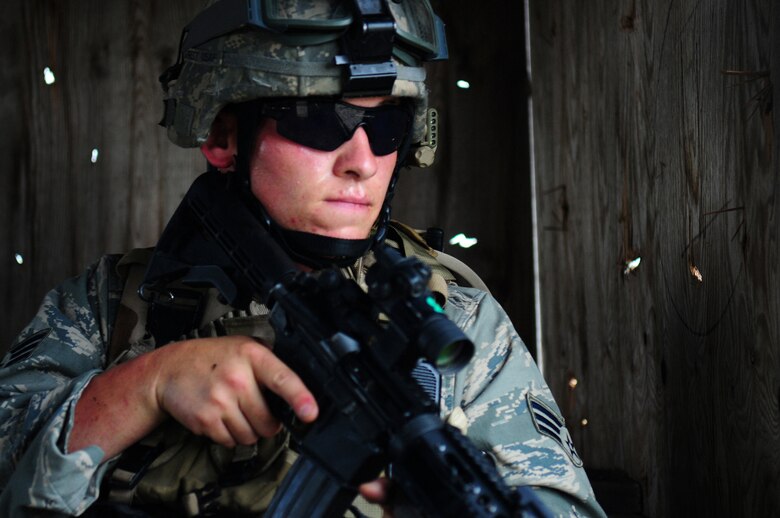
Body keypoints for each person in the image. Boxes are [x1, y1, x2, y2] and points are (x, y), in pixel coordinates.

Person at [0, 1, 606, 516]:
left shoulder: (455, 318)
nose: (361, 161)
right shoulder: (111, 305)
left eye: (387, 126)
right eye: (321, 120)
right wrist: (148, 385)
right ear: (223, 138)